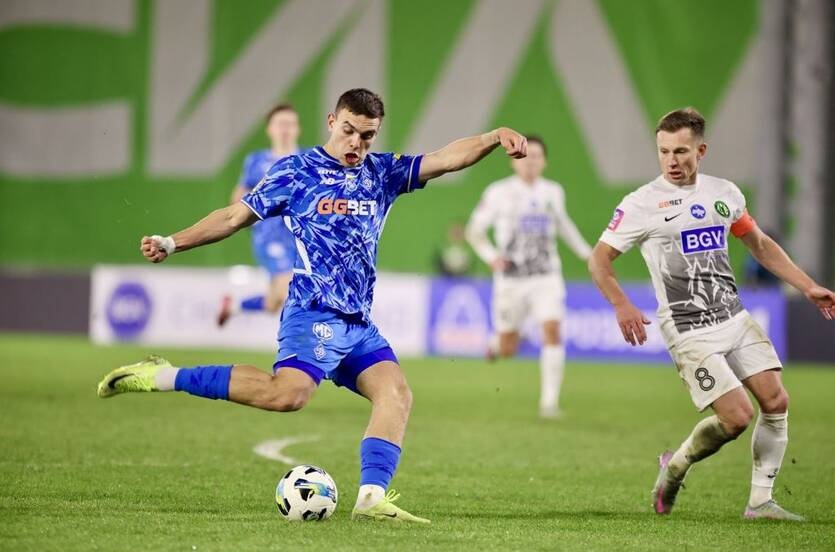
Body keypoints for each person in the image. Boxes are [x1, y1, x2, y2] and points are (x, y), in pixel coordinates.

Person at [96, 88, 527, 523]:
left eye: (367, 136)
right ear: (331, 122)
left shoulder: (383, 172)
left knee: (395, 393)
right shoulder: (296, 172)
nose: (356, 143)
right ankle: (161, 375)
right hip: (313, 310)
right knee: (287, 395)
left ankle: (371, 498)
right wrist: (172, 242)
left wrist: (493, 136)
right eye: (349, 131)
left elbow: (445, 158)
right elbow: (232, 217)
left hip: (358, 322)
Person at [587, 107, 835, 520]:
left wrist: (807, 285)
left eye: (681, 151)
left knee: (776, 399)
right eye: (664, 151)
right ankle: (677, 464)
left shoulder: (724, 193)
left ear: (700, 151)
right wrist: (621, 304)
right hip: (687, 328)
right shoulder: (641, 203)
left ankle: (760, 502)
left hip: (733, 316)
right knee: (737, 417)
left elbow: (759, 244)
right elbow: (599, 259)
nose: (671, 160)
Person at [466, 136, 591, 418]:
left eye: (536, 156)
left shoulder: (553, 192)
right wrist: (491, 256)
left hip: (546, 276)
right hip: (511, 279)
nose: (530, 162)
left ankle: (549, 403)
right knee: (508, 348)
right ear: (513, 161)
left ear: (544, 161)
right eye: (524, 156)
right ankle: (496, 344)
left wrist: (587, 254)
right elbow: (474, 230)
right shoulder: (498, 192)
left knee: (552, 329)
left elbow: (563, 225)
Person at [217, 103, 301, 326]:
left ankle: (232, 307)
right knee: (288, 290)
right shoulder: (257, 161)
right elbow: (237, 198)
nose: (285, 129)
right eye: (280, 124)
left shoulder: (307, 159)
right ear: (269, 129)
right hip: (270, 236)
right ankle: (302, 344)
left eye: (290, 124)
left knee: (274, 303)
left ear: (298, 129)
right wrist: (253, 216)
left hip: (299, 238)